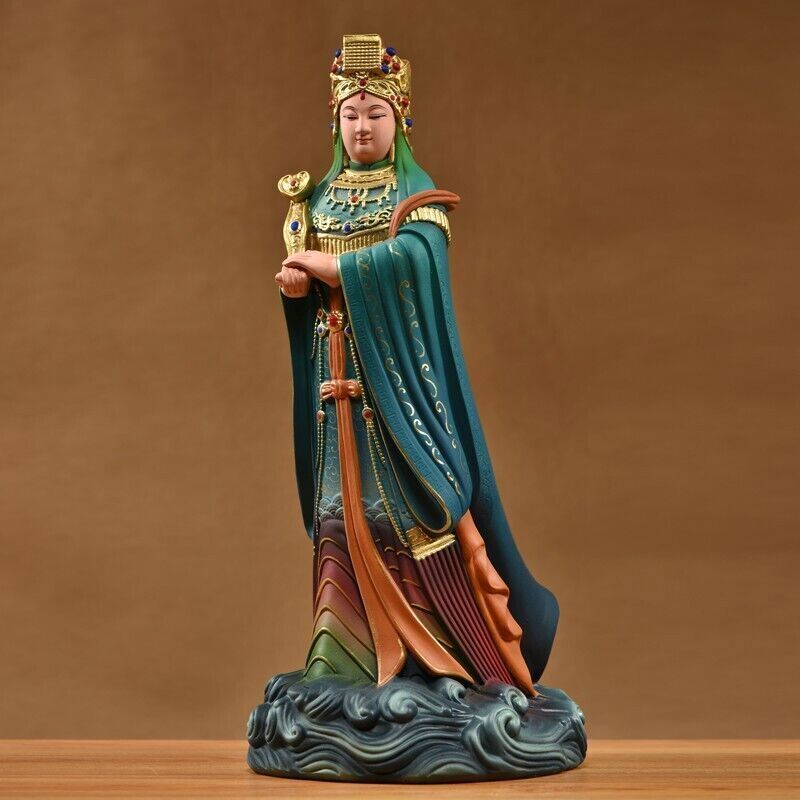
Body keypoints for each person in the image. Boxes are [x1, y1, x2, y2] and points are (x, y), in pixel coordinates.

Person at [274, 34, 558, 695]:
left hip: (398, 390)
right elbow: (305, 275)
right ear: (335, 120)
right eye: (351, 114)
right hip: (335, 384)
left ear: (399, 119)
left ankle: (442, 656)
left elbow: (417, 259)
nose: (362, 127)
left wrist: (340, 268)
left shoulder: (414, 191)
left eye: (375, 114)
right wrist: (297, 286)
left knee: (414, 509)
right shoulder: (319, 198)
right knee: (338, 509)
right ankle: (339, 656)